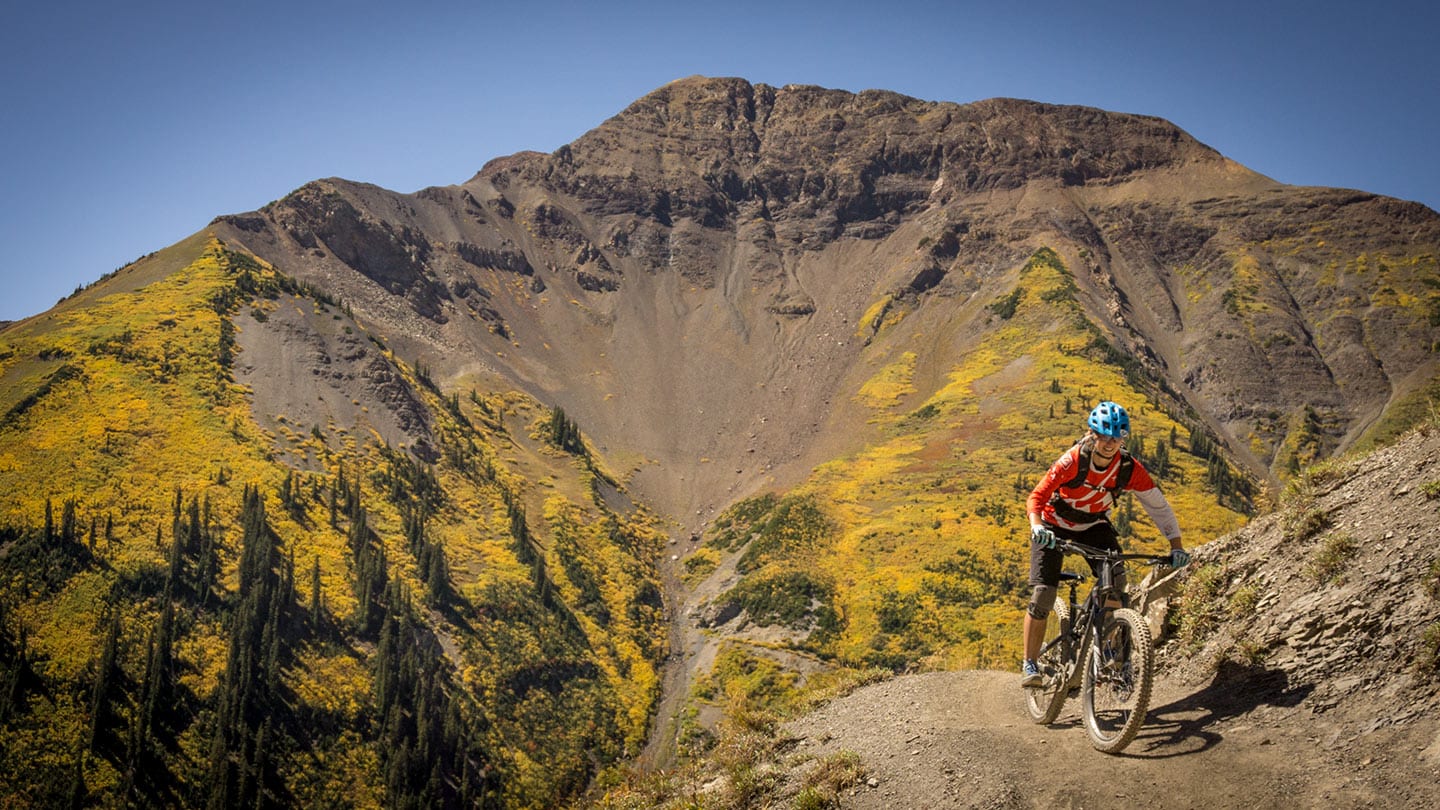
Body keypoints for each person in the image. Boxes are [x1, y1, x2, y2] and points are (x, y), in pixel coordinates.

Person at [1020, 401, 1190, 687]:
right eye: (1104, 435)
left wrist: (1176, 545)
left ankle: (1112, 657)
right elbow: (1036, 498)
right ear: (1091, 433)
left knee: (1116, 584)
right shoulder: (1072, 461)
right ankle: (1030, 663)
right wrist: (1037, 527)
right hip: (1052, 525)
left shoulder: (1128, 468)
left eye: (1117, 437)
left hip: (1094, 525)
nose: (1110, 443)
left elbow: (1158, 507)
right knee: (1044, 594)